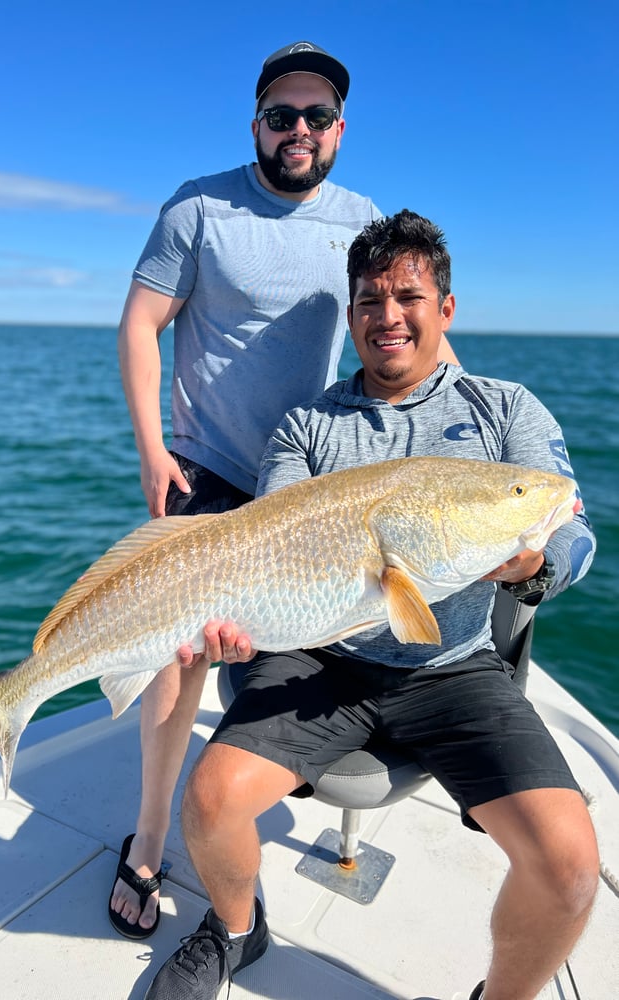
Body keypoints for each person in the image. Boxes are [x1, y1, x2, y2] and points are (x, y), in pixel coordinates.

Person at [142, 210, 598, 1000]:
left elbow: (571, 525)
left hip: (455, 669)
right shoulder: (309, 424)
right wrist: (233, 627)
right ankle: (239, 930)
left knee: (569, 866)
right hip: (326, 656)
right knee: (209, 803)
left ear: (444, 308)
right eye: (369, 301)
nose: (388, 316)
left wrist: (534, 566)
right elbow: (270, 542)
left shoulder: (505, 411)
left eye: (408, 297)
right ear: (351, 315)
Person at [111, 42, 459, 937]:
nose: (297, 130)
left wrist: (472, 427)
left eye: (315, 116)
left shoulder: (361, 217)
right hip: (208, 468)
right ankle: (150, 839)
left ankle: (239, 801)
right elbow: (143, 323)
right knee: (174, 656)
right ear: (257, 124)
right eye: (281, 115)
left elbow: (408, 331)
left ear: (338, 130)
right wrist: (153, 449)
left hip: (313, 483)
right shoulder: (197, 206)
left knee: (284, 647)